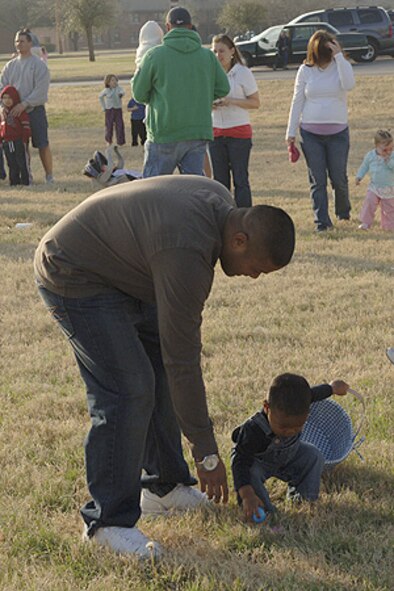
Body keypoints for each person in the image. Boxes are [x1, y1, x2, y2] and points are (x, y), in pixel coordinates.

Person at [34, 175, 295, 558]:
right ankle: (106, 523)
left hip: (125, 272)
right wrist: (206, 453)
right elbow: (183, 362)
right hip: (73, 271)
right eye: (256, 268)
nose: (253, 277)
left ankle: (164, 487)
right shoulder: (188, 251)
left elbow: (171, 361)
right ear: (238, 241)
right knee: (129, 389)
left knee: (153, 371)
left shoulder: (219, 201)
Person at [231, 373, 349, 521]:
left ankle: (305, 499)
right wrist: (246, 494)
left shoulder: (303, 401)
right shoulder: (253, 430)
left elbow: (315, 393)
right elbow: (239, 462)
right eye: (284, 427)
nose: (290, 431)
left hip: (289, 456)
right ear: (267, 407)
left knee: (313, 456)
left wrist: (332, 388)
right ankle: (263, 512)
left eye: (298, 426)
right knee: (251, 473)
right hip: (258, 463)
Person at [132, 6, 230, 178]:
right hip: (197, 131)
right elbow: (223, 88)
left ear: (167, 28)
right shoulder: (207, 56)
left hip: (164, 131)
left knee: (154, 191)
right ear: (191, 26)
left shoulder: (155, 55)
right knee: (194, 192)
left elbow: (139, 94)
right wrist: (202, 96)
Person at [286, 30, 355, 232]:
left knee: (338, 177)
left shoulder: (341, 66)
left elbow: (349, 85)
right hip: (310, 133)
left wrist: (339, 56)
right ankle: (322, 222)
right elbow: (297, 100)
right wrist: (290, 131)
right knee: (317, 179)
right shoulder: (305, 70)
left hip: (338, 132)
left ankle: (343, 211)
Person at [209, 34, 260, 207]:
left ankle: (245, 216)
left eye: (222, 51)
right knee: (220, 182)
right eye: (214, 51)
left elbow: (255, 102)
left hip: (238, 133)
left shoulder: (242, 72)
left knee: (240, 179)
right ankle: (224, 216)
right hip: (216, 133)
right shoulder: (210, 73)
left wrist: (231, 101)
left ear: (232, 51)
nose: (218, 55)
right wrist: (211, 105)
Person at [0, 29, 53, 183]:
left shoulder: (38, 65)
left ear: (30, 43)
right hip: (13, 114)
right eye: (17, 41)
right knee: (20, 146)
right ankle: (24, 176)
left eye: (22, 41)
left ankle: (49, 175)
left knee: (42, 143)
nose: (19, 44)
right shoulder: (10, 66)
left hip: (33, 110)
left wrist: (24, 104)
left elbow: (41, 90)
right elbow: (2, 87)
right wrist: (3, 106)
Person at [356, 129, 394, 231]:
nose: (389, 152)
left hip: (389, 188)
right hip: (374, 187)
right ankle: (365, 223)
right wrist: (359, 176)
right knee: (369, 203)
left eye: (391, 148)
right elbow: (364, 166)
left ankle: (388, 226)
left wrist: (389, 161)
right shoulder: (370, 156)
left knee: (389, 208)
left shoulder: (392, 156)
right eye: (385, 150)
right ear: (376, 145)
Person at [0, 85, 31, 185]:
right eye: (4, 98)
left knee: (21, 161)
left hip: (18, 141)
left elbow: (26, 126)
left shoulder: (19, 112)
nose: (7, 100)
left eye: (10, 98)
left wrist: (24, 139)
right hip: (7, 142)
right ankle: (14, 181)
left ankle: (25, 181)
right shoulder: (3, 113)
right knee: (11, 162)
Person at [99, 74, 126, 146]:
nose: (114, 82)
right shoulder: (106, 90)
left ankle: (120, 141)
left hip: (118, 109)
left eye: (115, 80)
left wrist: (121, 94)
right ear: (108, 82)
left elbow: (123, 92)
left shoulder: (119, 88)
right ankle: (108, 140)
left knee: (119, 125)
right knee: (109, 125)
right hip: (109, 110)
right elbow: (100, 97)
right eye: (112, 80)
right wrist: (103, 107)